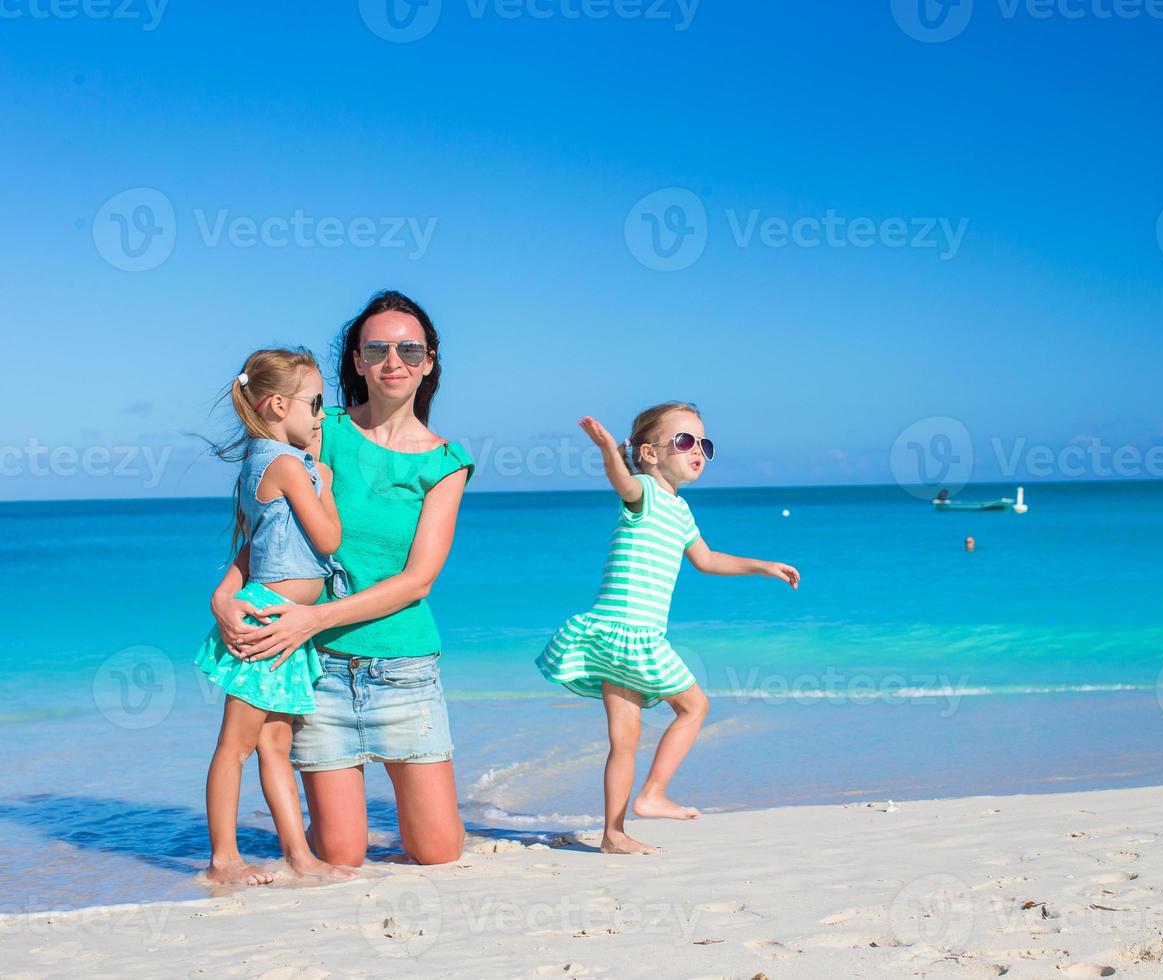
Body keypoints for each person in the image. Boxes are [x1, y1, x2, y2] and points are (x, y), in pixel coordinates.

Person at [209, 291, 474, 867]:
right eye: (375, 348)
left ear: (429, 361)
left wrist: (314, 616)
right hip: (317, 668)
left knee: (438, 853)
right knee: (341, 856)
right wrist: (224, 597)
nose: (392, 360)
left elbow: (418, 581)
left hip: (405, 668)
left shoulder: (446, 461)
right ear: (356, 360)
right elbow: (269, 528)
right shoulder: (317, 426)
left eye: (409, 348)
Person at [536, 402, 800, 854]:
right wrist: (607, 450)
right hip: (630, 632)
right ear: (650, 453)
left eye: (704, 443)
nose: (697, 449)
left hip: (612, 636)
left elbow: (707, 559)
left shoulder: (681, 512)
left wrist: (761, 565)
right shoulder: (643, 491)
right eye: (684, 441)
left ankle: (613, 834)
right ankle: (652, 794)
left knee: (625, 740)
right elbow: (621, 482)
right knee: (694, 706)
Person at [196, 348, 353, 886]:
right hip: (271, 621)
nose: (321, 416)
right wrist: (325, 484)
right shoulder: (286, 466)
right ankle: (223, 860)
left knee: (274, 745)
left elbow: (255, 546)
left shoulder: (262, 462)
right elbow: (329, 538)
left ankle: (300, 857)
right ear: (278, 404)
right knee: (236, 745)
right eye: (315, 404)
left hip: (286, 619)